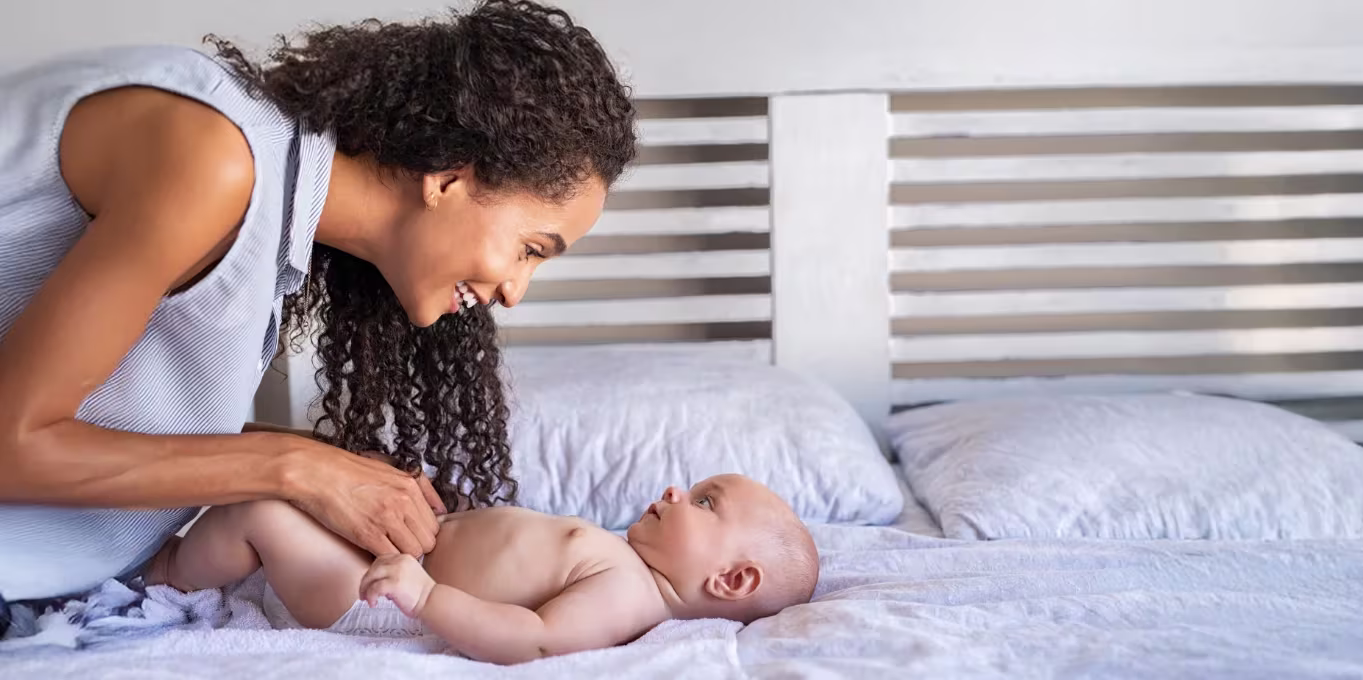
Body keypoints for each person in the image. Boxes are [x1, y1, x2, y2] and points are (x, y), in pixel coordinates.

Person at [0, 0, 637, 616]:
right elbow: (12, 444)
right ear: (448, 179)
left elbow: (98, 416)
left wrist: (330, 467)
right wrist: (295, 469)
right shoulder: (212, 160)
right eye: (530, 249)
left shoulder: (273, 197)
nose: (515, 291)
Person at [145, 474, 820, 665]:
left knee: (263, 508)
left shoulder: (628, 594)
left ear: (731, 581)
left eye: (704, 502)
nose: (676, 491)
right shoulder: (625, 556)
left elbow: (535, 637)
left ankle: (159, 575)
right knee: (314, 492)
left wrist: (427, 594)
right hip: (400, 565)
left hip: (375, 603)